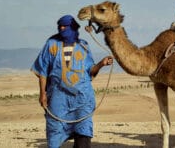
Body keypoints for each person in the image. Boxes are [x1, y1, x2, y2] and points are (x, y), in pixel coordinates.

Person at [31, 15, 113, 148]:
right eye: (60, 26)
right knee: (54, 133)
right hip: (58, 98)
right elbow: (42, 70)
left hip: (82, 98)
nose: (62, 28)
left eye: (65, 26)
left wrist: (102, 63)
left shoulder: (83, 46)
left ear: (73, 28)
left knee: (84, 133)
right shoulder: (51, 44)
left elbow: (90, 71)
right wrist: (42, 94)